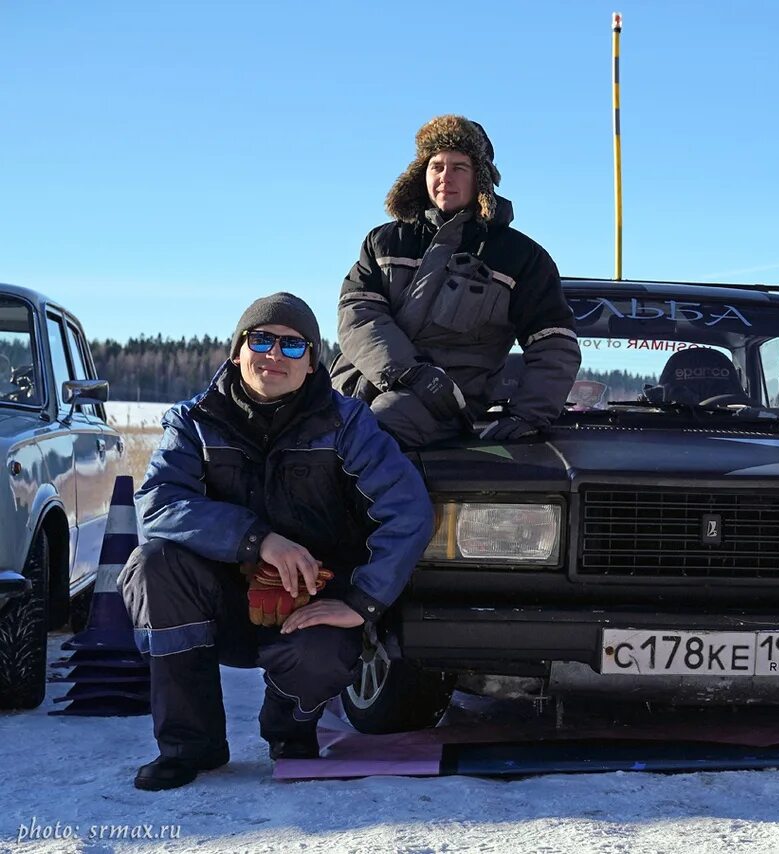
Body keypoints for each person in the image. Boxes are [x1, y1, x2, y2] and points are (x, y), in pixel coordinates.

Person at [119, 293, 434, 791]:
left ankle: (291, 732)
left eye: (292, 346)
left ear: (312, 363)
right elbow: (158, 504)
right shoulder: (194, 422)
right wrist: (257, 540)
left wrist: (362, 601)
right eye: (261, 340)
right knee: (154, 564)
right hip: (217, 601)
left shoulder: (346, 424)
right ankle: (188, 745)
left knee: (325, 649)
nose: (274, 355)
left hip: (312, 600)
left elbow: (408, 511)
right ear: (237, 351)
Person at [331, 114, 581, 447]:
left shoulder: (521, 258)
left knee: (374, 434)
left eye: (459, 167)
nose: (445, 177)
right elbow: (358, 317)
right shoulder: (384, 242)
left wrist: (527, 415)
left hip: (442, 404)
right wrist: (411, 372)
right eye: (436, 166)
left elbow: (554, 344)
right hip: (356, 385)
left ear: (481, 178)